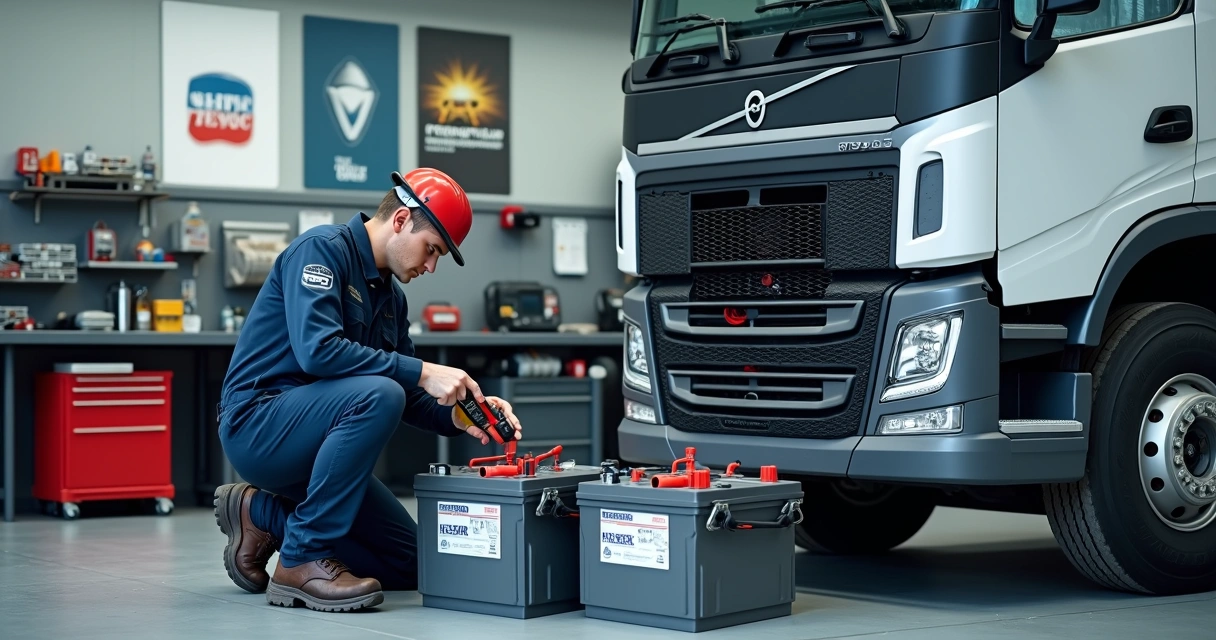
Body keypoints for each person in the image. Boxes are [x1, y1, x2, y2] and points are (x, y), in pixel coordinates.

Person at [211, 169, 522, 613]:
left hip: (315, 447)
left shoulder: (390, 299)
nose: (430, 266)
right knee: (380, 394)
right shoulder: (320, 252)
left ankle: (260, 514)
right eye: (431, 249)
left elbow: (411, 393)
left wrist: (458, 414)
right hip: (258, 427)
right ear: (400, 220)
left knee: (413, 563)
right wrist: (422, 371)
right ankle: (300, 561)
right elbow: (318, 353)